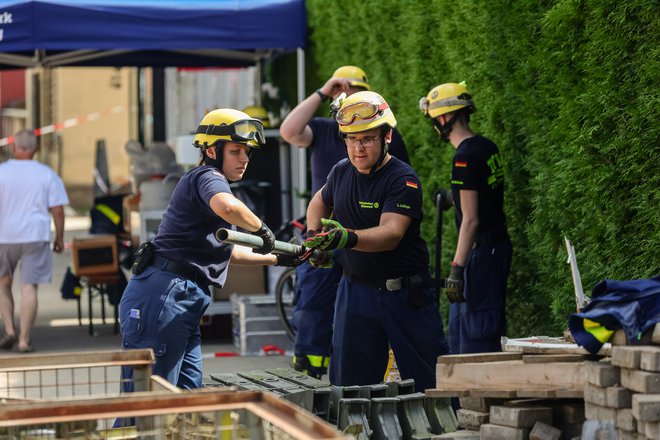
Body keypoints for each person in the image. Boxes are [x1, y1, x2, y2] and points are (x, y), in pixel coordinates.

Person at [118, 108, 304, 390]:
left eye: (248, 152)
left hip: (182, 298)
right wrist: (262, 229)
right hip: (164, 297)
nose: (244, 159)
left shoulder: (214, 185)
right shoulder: (207, 176)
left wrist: (278, 258)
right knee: (148, 404)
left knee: (190, 400)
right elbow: (228, 207)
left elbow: (225, 251)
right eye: (236, 151)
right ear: (212, 151)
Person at [302, 91, 449, 392]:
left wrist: (345, 238)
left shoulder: (402, 179)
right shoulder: (341, 171)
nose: (358, 148)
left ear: (387, 137)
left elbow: (391, 234)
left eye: (367, 139)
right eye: (351, 139)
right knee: (349, 388)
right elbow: (319, 201)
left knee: (428, 386)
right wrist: (315, 239)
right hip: (355, 292)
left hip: (404, 295)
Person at [279, 65, 410, 379]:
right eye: (342, 92)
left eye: (355, 91)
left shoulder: (386, 138)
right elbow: (288, 131)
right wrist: (324, 91)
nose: (358, 145)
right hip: (326, 236)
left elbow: (398, 190)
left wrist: (359, 236)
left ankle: (366, 372)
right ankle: (310, 369)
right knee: (313, 302)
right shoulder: (325, 130)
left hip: (364, 238)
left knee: (361, 312)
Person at [419, 82, 512, 354]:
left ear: (444, 118)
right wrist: (453, 196)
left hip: (480, 256)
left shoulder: (464, 158)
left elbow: (471, 219)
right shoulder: (486, 147)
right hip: (496, 247)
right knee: (465, 330)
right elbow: (485, 193)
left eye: (435, 120)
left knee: (475, 337)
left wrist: (457, 268)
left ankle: (473, 394)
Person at [0, 129, 68, 353]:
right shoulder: (46, 174)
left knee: (3, 283)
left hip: (4, 236)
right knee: (29, 287)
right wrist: (59, 237)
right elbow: (57, 210)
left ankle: (9, 329)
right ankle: (23, 340)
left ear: (13, 147)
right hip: (35, 235)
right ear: (36, 149)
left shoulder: (2, 172)